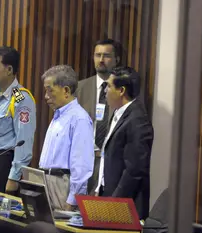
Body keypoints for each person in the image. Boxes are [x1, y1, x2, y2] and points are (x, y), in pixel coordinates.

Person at [0, 46, 36, 194]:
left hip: (2, 166)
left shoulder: (21, 98)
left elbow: (24, 141)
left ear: (9, 70)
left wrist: (14, 177)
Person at [95, 66, 153, 219]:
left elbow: (134, 169)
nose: (105, 90)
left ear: (121, 90)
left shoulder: (137, 119)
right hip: (108, 196)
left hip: (123, 206)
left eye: (108, 86)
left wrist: (114, 204)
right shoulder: (117, 113)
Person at [39, 65, 94, 211]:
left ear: (66, 91)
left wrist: (73, 200)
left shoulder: (79, 118)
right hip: (46, 182)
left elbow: (82, 165)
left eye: (50, 90)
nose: (46, 96)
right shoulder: (58, 116)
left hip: (62, 186)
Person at [77, 39, 122, 195]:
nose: (101, 60)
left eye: (106, 55)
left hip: (109, 161)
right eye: (98, 55)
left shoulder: (123, 89)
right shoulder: (80, 88)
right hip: (83, 159)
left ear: (117, 60)